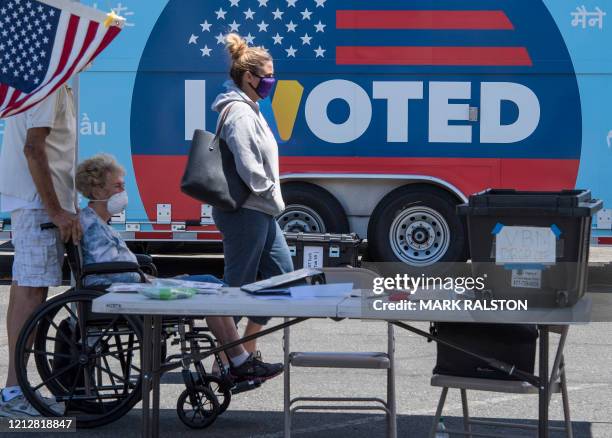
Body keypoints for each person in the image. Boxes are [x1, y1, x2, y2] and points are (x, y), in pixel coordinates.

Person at [74, 153, 283, 382]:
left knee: (213, 286)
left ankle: (238, 360)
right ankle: (239, 361)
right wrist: (151, 280)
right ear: (97, 190)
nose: (122, 192)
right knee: (213, 288)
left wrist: (155, 278)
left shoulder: (98, 223)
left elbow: (114, 268)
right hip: (125, 294)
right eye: (117, 186)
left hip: (133, 286)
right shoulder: (92, 226)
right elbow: (109, 274)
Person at [0, 85, 81, 418]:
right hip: (38, 208)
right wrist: (56, 211)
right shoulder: (50, 84)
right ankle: (13, 393)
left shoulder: (51, 81)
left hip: (35, 205)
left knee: (28, 291)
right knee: (31, 293)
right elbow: (34, 149)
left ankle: (15, 390)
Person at [211, 33, 294, 355]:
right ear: (249, 77)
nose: (272, 81)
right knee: (237, 286)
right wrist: (273, 194)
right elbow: (248, 165)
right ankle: (226, 358)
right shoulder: (240, 113)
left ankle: (245, 348)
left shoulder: (251, 108)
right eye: (268, 75)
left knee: (282, 278)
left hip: (260, 210)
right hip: (246, 209)